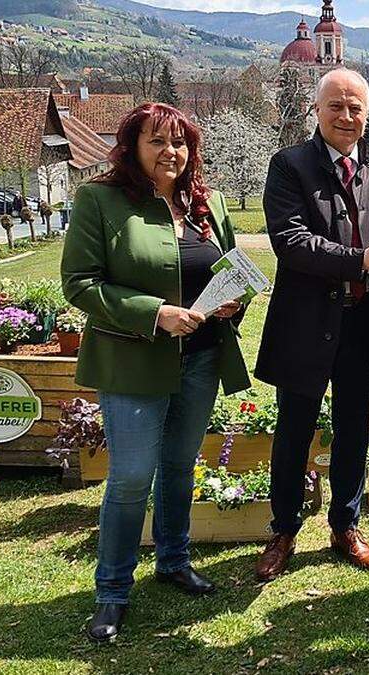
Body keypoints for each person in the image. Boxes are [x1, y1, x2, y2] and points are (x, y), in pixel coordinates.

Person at [61, 102, 251, 642]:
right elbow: (80, 283)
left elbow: (232, 268)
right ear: (132, 146)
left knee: (178, 466)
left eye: (181, 142)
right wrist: (155, 313)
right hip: (133, 361)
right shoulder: (99, 200)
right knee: (130, 477)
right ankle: (113, 592)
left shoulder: (205, 204)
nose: (172, 152)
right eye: (158, 141)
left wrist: (233, 301)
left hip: (202, 358)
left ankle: (173, 561)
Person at [253, 68, 369, 580]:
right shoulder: (289, 166)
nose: (347, 116)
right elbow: (290, 240)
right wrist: (358, 262)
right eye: (337, 106)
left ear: (367, 115)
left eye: (356, 108)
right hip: (306, 325)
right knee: (293, 432)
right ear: (317, 110)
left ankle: (345, 526)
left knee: (354, 430)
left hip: (364, 325)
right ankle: (283, 530)